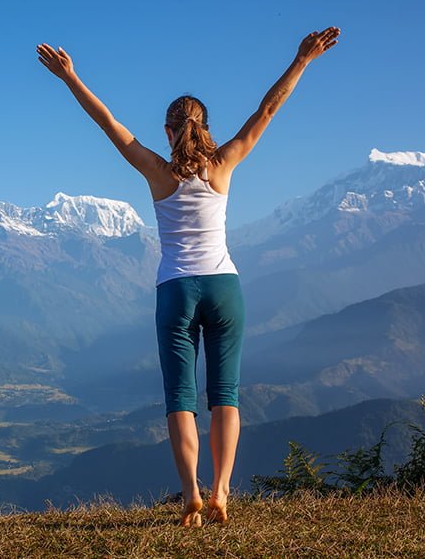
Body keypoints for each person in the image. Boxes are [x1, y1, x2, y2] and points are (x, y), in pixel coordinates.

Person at [37, 27, 340, 526]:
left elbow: (108, 122)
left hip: (175, 290)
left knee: (180, 398)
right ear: (205, 126)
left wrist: (70, 77)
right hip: (224, 287)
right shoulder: (224, 164)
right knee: (227, 394)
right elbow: (267, 109)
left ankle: (190, 494)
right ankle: (220, 491)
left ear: (167, 131)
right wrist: (302, 60)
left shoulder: (158, 171)